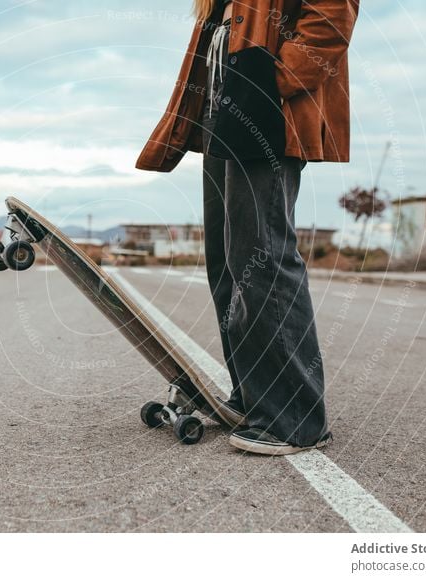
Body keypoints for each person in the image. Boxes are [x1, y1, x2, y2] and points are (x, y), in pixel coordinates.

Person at [135, 0, 359, 455]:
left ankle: (294, 418)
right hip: (225, 112)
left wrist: (270, 82)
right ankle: (256, 396)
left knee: (263, 257)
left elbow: (330, 22)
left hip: (266, 112)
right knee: (226, 263)